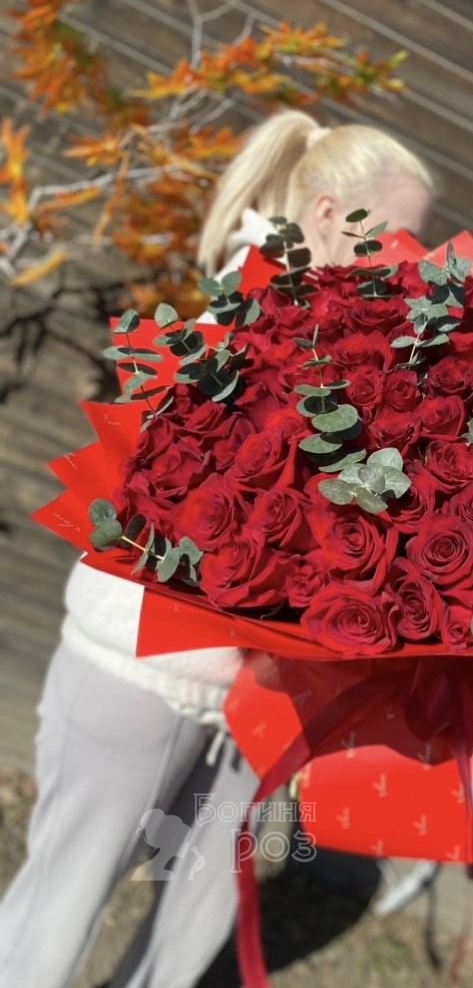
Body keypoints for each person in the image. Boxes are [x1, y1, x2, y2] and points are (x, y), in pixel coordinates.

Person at [0, 110, 433, 988]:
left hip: (251, 696)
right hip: (140, 675)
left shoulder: (348, 342)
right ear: (326, 215)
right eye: (397, 238)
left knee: (193, 924)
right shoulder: (248, 316)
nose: (409, 265)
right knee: (60, 910)